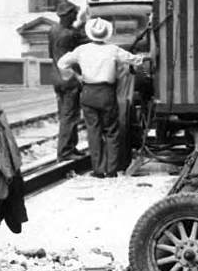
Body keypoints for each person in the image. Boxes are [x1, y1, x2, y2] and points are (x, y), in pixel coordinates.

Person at [57, 17, 143, 178]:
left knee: (93, 131)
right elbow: (136, 60)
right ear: (106, 34)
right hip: (106, 93)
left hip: (88, 92)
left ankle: (98, 170)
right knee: (111, 131)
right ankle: (112, 170)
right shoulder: (113, 50)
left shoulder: (81, 50)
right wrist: (144, 57)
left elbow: (62, 63)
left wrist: (77, 76)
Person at [47, 1, 87, 161]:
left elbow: (51, 54)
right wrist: (84, 23)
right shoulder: (68, 35)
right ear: (68, 15)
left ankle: (70, 147)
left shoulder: (53, 30)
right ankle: (65, 152)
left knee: (66, 114)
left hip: (57, 78)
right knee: (70, 116)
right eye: (74, 14)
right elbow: (84, 39)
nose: (76, 16)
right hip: (69, 79)